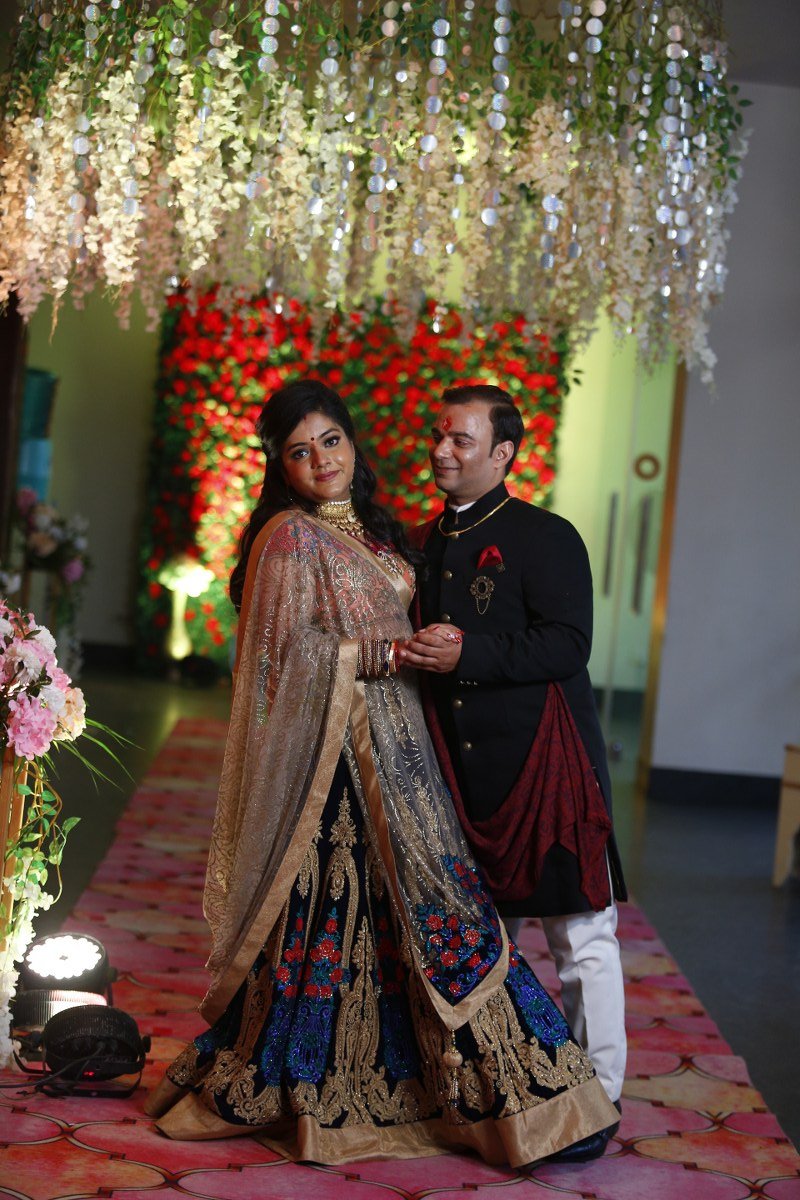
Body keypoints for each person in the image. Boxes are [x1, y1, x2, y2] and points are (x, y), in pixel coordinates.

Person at [145, 378, 618, 1166]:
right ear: (281, 466)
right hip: (339, 771)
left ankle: (543, 1092)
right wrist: (383, 654)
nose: (321, 460)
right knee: (364, 927)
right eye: (300, 452)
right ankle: (370, 1082)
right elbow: (281, 659)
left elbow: (556, 640)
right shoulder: (289, 539)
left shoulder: (382, 528)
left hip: (408, 758)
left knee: (447, 919)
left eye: (330, 440)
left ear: (352, 441)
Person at [400, 384, 627, 1163]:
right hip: (458, 768)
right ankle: (503, 1088)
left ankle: (599, 1099)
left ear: (503, 454)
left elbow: (568, 644)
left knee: (580, 933)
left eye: (461, 440)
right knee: (485, 940)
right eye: (439, 435)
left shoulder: (546, 535)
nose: (442, 450)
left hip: (544, 761)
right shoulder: (424, 540)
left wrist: (469, 653)